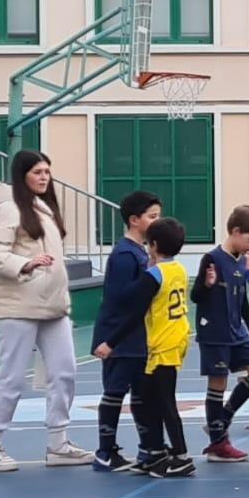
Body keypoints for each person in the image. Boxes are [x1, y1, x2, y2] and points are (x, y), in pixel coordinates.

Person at [0, 150, 90, 472]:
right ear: (22, 175)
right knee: (11, 377)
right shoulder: (8, 209)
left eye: (46, 172)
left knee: (64, 372)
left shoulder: (45, 209)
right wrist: (25, 264)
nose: (44, 177)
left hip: (52, 307)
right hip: (16, 306)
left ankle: (58, 443)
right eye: (37, 172)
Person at [98, 217, 195, 477]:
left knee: (164, 402)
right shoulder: (180, 270)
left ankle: (182, 456)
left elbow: (134, 311)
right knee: (148, 399)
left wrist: (110, 342)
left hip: (163, 343)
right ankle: (154, 453)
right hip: (176, 338)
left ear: (152, 245)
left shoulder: (153, 275)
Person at [88, 190, 162, 473]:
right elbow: (120, 296)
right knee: (115, 392)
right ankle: (105, 451)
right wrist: (150, 277)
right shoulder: (124, 255)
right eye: (152, 217)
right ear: (134, 220)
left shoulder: (141, 252)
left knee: (142, 393)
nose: (157, 221)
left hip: (137, 337)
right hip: (118, 336)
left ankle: (147, 449)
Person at [193, 205, 249, 463]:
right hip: (215, 332)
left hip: (238, 332)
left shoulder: (240, 262)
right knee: (218, 383)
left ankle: (223, 417)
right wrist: (206, 284)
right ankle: (218, 443)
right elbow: (196, 296)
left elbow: (242, 297)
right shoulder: (211, 259)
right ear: (235, 232)